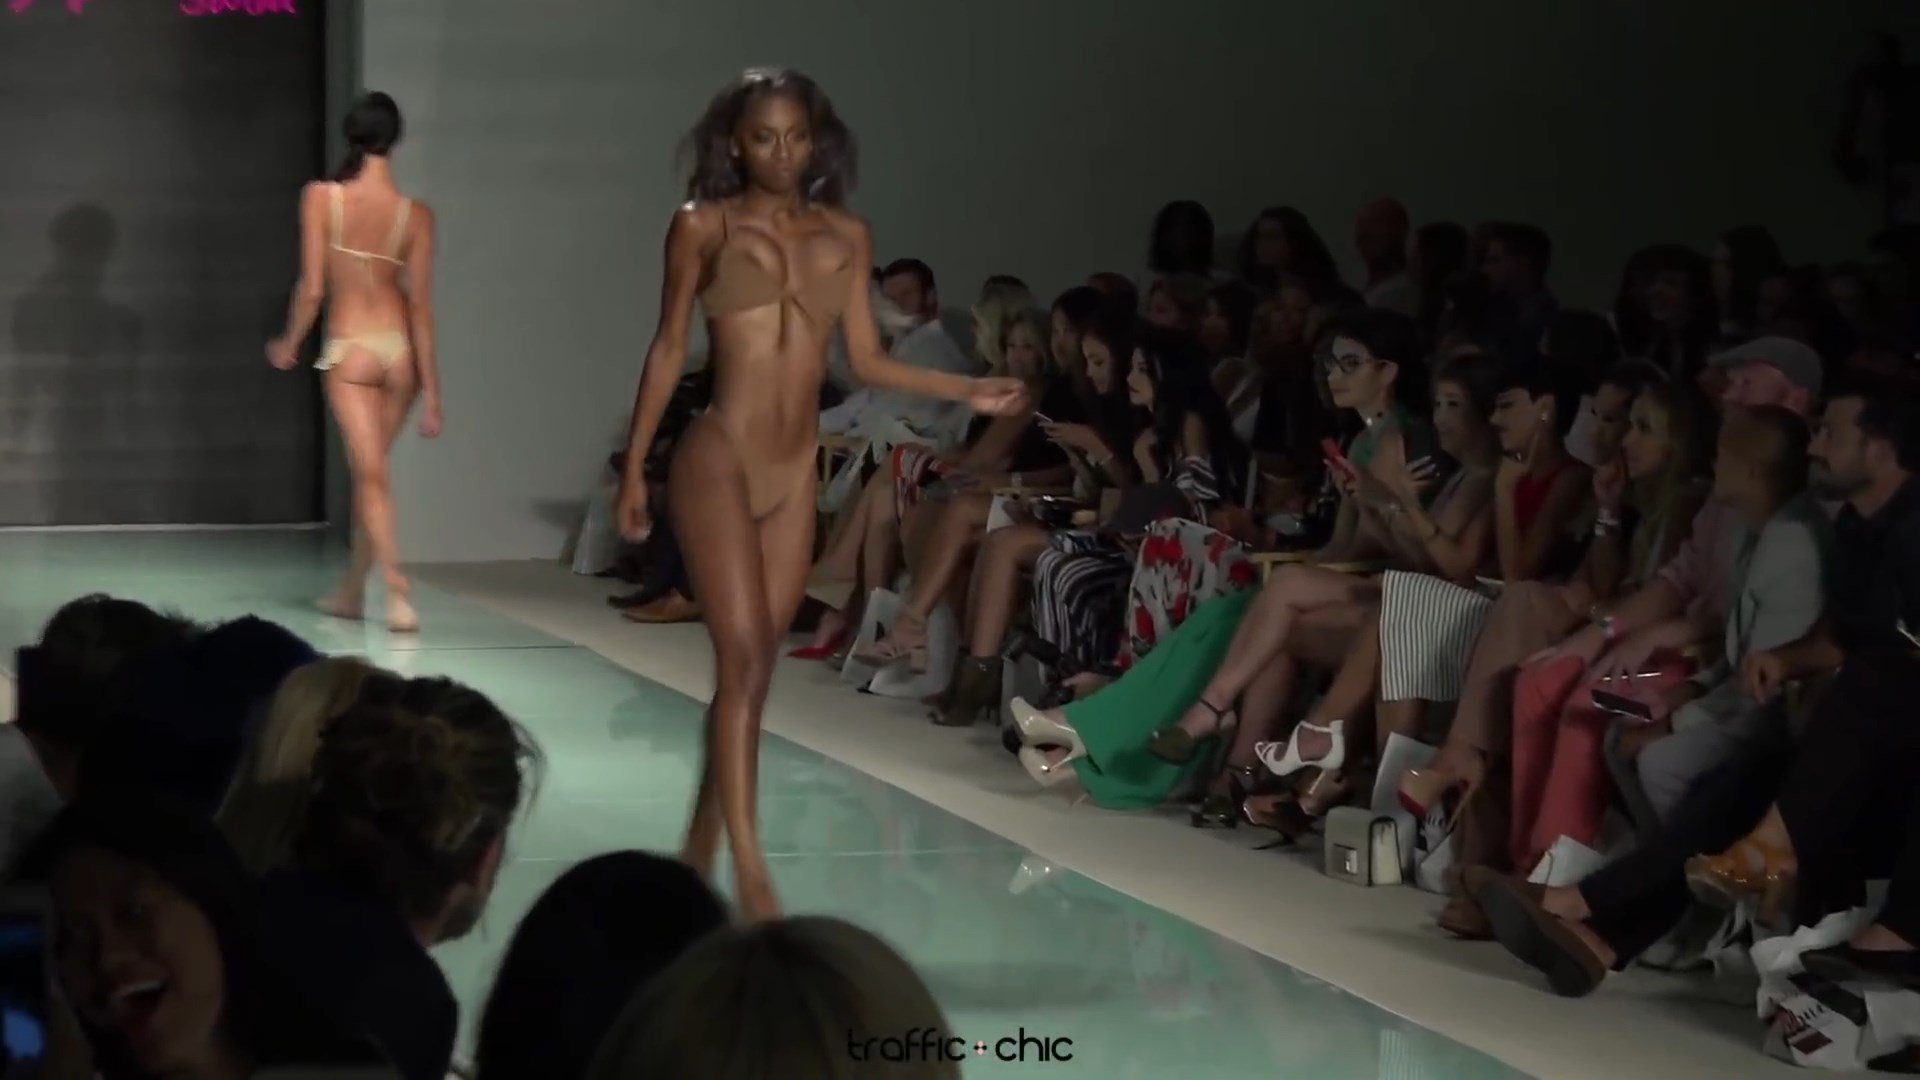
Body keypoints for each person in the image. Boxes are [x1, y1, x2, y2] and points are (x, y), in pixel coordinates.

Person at [609, 68, 1025, 921]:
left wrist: (967, 392)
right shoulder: (702, 226)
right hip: (720, 453)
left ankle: (699, 850)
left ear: (818, 143)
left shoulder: (846, 236)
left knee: (754, 673)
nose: (783, 154)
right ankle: (752, 874)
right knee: (740, 662)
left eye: (797, 138)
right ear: (735, 143)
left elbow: (865, 361)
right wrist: (635, 466)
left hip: (793, 468)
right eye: (765, 137)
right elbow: (667, 347)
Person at [267, 91, 440, 634]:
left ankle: (396, 588)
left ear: (351, 134)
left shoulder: (322, 198)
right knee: (374, 479)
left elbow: (313, 288)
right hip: (400, 355)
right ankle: (350, 593)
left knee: (371, 478)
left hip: (351, 349)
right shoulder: (415, 216)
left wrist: (290, 341)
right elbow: (420, 306)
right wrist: (433, 393)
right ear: (396, 138)